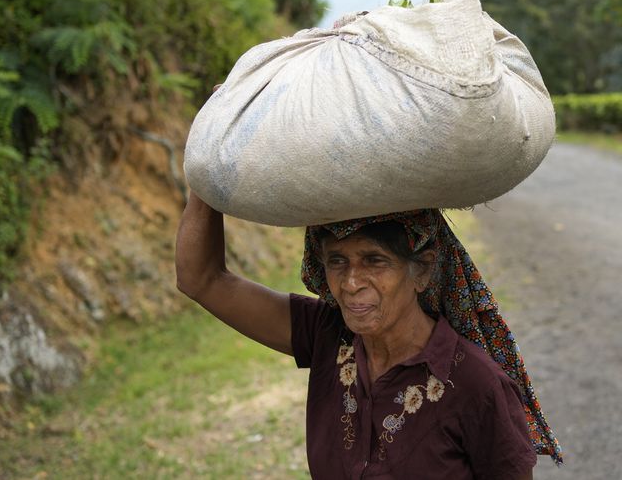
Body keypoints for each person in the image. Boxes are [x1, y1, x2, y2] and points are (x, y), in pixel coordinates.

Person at [175, 194, 562, 479]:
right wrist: (208, 163)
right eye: (337, 261)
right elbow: (201, 279)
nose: (351, 283)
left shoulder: (478, 386)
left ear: (423, 272)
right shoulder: (328, 335)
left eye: (375, 261)